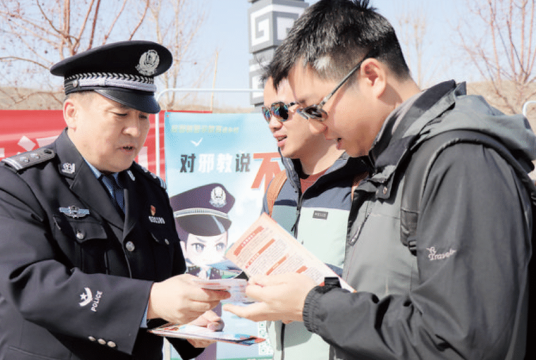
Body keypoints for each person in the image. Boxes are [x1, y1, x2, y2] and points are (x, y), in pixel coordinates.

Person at [224, 1, 536, 359]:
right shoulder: (392, 164)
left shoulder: (459, 161)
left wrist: (315, 305)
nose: (315, 126)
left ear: (371, 77)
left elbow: (459, 343)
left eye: (315, 109)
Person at [0, 40, 229, 360]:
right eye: (120, 113)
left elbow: (167, 282)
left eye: (142, 117)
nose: (135, 130)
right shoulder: (18, 183)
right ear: (72, 113)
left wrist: (188, 321)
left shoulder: (151, 191)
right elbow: (31, 284)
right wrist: (150, 301)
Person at [258, 76, 366, 360]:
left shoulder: (365, 188)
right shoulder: (276, 188)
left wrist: (307, 299)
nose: (272, 123)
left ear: (313, 104)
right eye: (266, 112)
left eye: (281, 110)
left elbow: (376, 296)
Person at [170, 183, 237, 280]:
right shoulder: (177, 276)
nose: (210, 256)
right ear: (183, 248)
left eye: (219, 246)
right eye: (199, 246)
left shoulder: (220, 274)